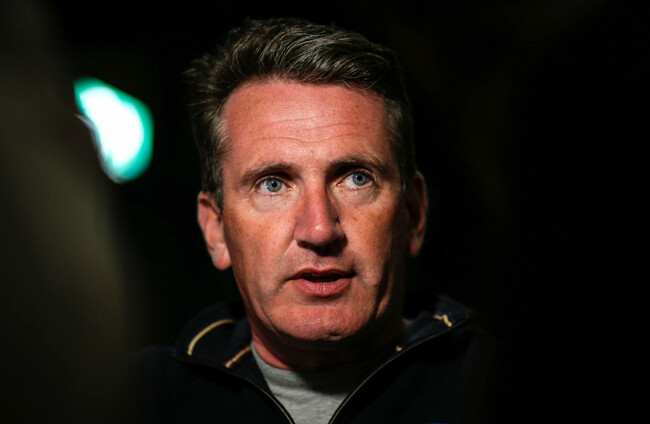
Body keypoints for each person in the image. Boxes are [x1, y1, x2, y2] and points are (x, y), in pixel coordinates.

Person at [138, 17, 496, 423]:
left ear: (413, 214)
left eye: (356, 179)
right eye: (272, 184)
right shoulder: (133, 398)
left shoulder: (503, 388)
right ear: (215, 230)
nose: (320, 230)